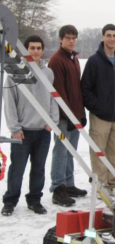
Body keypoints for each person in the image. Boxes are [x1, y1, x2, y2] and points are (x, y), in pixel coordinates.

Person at [1, 35, 59, 216]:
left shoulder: (48, 73)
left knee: (39, 168)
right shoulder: (14, 71)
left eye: (38, 48)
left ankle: (34, 200)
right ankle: (10, 201)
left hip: (42, 131)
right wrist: (15, 129)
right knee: (17, 169)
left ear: (42, 50)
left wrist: (52, 121)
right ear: (25, 50)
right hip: (22, 132)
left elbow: (53, 98)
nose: (35, 51)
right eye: (31, 48)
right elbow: (9, 102)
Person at [81, 24, 115, 198]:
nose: (112, 38)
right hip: (100, 115)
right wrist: (97, 106)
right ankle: (100, 185)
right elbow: (85, 88)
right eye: (109, 35)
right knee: (99, 151)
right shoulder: (94, 61)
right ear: (102, 37)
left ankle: (113, 184)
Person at [48, 25, 87, 207]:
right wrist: (69, 116)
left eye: (74, 37)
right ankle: (58, 188)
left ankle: (69, 184)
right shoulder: (56, 61)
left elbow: (76, 91)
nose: (71, 41)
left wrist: (80, 114)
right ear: (60, 39)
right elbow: (59, 93)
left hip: (75, 115)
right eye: (68, 38)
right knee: (61, 151)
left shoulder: (74, 59)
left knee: (71, 152)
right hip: (63, 118)